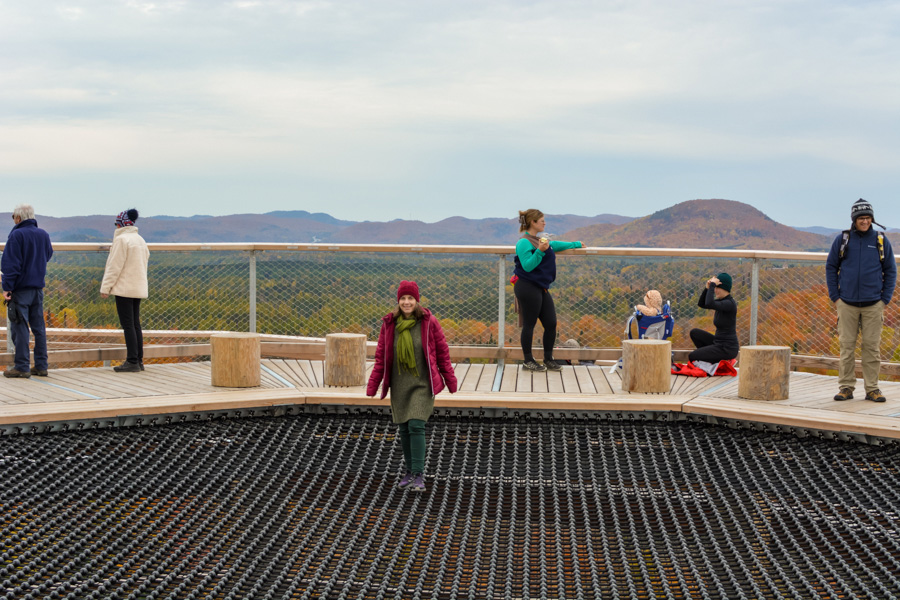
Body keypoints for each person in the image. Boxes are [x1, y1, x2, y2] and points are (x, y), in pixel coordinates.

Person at [366, 280, 457, 492]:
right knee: (405, 428)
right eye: (403, 299)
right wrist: (373, 385)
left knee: (416, 424)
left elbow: (442, 353)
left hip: (422, 383)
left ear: (417, 301)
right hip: (399, 384)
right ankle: (409, 472)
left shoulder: (428, 322)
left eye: (411, 298)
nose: (407, 302)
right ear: (398, 301)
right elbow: (381, 357)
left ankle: (418, 474)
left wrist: (449, 380)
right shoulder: (389, 325)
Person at [826, 199, 896, 402]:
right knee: (846, 348)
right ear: (854, 220)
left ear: (872, 219)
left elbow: (891, 270)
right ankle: (846, 388)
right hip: (846, 303)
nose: (864, 221)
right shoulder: (843, 240)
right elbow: (831, 266)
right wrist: (835, 297)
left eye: (867, 218)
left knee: (871, 348)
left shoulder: (881, 240)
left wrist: (884, 299)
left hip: (874, 304)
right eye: (860, 218)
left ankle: (872, 389)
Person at [512, 209, 583, 372]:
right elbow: (527, 265)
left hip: (541, 287)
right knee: (529, 324)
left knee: (551, 323)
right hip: (527, 286)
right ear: (533, 222)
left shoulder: (539, 240)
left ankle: (548, 359)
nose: (544, 223)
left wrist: (576, 244)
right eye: (541, 220)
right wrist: (540, 251)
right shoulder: (523, 242)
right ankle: (528, 360)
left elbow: (555, 245)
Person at [2, 204, 53, 378]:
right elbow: (48, 255)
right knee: (39, 328)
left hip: (21, 289)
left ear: (18, 218)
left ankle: (22, 366)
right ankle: (41, 365)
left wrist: (7, 288)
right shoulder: (43, 234)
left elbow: (11, 266)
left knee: (20, 327)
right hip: (37, 288)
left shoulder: (16, 235)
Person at [100, 209, 150, 373]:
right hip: (138, 286)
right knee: (135, 324)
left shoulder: (121, 240)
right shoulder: (140, 240)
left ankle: (132, 361)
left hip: (124, 288)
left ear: (120, 224)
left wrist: (105, 287)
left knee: (127, 325)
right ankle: (139, 360)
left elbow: (114, 267)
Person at [688, 272, 738, 364]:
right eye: (715, 288)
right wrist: (707, 288)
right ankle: (713, 360)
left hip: (727, 348)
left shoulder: (729, 304)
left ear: (725, 288)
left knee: (692, 357)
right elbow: (702, 304)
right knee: (694, 333)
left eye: (717, 288)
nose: (715, 290)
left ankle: (721, 362)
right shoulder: (721, 301)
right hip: (718, 342)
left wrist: (712, 285)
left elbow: (709, 303)